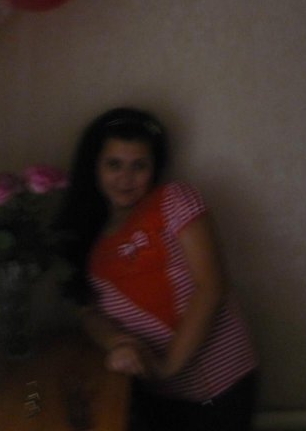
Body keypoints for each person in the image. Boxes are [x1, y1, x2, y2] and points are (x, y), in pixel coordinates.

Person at [55, 107, 258, 431]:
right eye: (114, 164)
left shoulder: (174, 199)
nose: (126, 178)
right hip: (152, 392)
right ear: (94, 166)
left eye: (139, 165)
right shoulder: (86, 238)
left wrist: (168, 367)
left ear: (154, 168)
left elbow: (212, 287)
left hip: (220, 387)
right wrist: (117, 343)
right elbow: (88, 312)